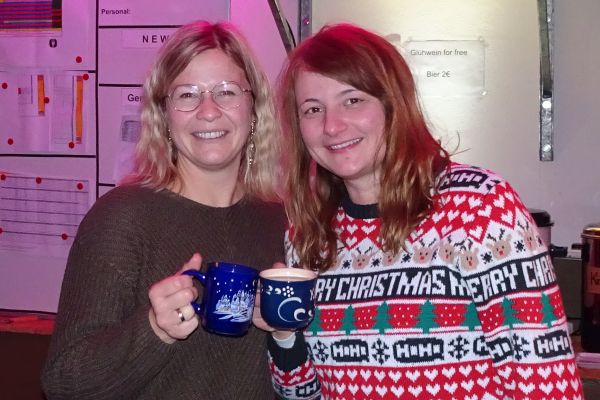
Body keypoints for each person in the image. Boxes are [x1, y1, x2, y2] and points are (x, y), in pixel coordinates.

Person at [258, 23, 583, 399]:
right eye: (313, 109)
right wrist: (283, 334)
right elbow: (304, 394)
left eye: (353, 100)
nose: (332, 125)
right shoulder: (308, 233)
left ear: (393, 104)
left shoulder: (478, 208)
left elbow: (548, 387)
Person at [41, 21, 285, 399]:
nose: (208, 111)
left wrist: (288, 333)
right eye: (187, 94)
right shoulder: (122, 218)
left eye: (226, 91)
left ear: (254, 108)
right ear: (164, 116)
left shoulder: (281, 222)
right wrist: (155, 329)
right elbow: (63, 382)